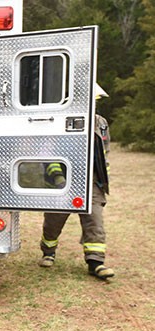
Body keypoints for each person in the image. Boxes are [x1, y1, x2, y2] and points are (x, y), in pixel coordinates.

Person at [39, 84, 114, 280]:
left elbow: (104, 154)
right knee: (54, 222)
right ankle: (48, 252)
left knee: (95, 221)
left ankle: (96, 262)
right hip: (62, 181)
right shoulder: (58, 122)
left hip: (92, 182)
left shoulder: (101, 123)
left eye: (94, 102)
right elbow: (48, 154)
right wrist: (58, 177)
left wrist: (102, 182)